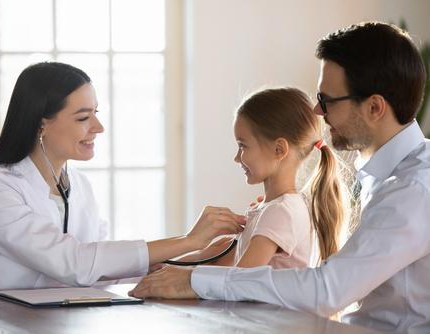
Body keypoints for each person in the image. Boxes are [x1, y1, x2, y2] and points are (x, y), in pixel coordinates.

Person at [130, 22, 430, 333]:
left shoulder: (413, 189)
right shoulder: (387, 175)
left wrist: (195, 281)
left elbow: (326, 291)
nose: (317, 110)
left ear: (374, 107)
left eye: (326, 100)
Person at [0, 62, 246, 290]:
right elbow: (75, 264)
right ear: (41, 125)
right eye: (83, 117)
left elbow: (103, 274)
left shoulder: (80, 186)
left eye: (96, 112)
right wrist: (187, 241)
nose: (99, 127)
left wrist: (198, 258)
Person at [173, 87, 348, 269]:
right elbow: (214, 260)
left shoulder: (281, 212)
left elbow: (237, 282)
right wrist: (160, 267)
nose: (236, 158)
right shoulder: (274, 209)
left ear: (279, 149)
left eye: (243, 146)